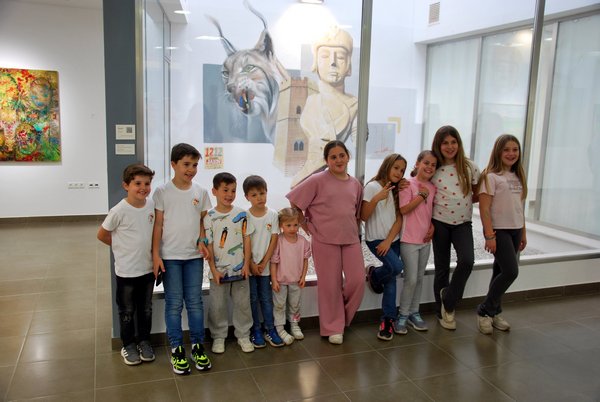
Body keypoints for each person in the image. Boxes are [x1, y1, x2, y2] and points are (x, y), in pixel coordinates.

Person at [286, 140, 364, 344]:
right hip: (324, 240)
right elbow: (294, 201)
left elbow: (356, 213)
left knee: (357, 281)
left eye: (342, 155)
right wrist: (305, 226)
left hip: (351, 239)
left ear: (348, 156)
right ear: (327, 160)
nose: (338, 160)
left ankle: (341, 318)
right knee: (330, 285)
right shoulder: (317, 180)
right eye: (333, 157)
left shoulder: (355, 184)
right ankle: (333, 327)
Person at [152, 143, 212, 375]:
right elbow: (158, 225)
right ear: (173, 164)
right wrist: (156, 255)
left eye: (195, 165)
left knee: (195, 302)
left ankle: (197, 346)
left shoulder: (201, 192)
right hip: (170, 258)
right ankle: (177, 348)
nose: (191, 169)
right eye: (186, 164)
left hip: (194, 257)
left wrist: (202, 240)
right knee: (174, 304)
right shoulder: (161, 192)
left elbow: (203, 222)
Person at [97, 164, 156, 366]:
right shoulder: (118, 210)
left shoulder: (151, 206)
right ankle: (128, 345)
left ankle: (144, 341)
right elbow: (102, 234)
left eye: (147, 183)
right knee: (127, 312)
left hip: (147, 270)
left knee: (146, 309)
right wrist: (121, 247)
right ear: (126, 185)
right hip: (126, 272)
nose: (143, 188)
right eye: (137, 183)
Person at [292, 26, 358, 186]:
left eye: (340, 57)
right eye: (325, 56)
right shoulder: (312, 101)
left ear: (348, 64)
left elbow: (359, 141)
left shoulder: (355, 105)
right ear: (316, 62)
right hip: (311, 174)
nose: (333, 62)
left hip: (337, 179)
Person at [430, 126, 481, 330]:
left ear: (459, 144)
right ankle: (443, 312)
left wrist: (461, 202)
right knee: (442, 268)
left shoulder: (470, 167)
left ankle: (448, 300)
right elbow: (419, 185)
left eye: (453, 142)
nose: (450, 147)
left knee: (467, 261)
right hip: (439, 223)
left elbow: (476, 193)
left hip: (463, 223)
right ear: (438, 145)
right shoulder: (433, 167)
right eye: (445, 143)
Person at [477, 134, 527, 335]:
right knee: (511, 272)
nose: (511, 153)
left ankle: (494, 311)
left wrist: (523, 233)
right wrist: (489, 235)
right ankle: (484, 310)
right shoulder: (490, 177)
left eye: (515, 149)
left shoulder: (518, 175)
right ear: (498, 152)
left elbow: (520, 207)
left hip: (516, 230)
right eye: (506, 149)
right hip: (500, 231)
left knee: (499, 272)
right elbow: (484, 208)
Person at [204, 172, 255, 353]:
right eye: (225, 190)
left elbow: (247, 239)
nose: (229, 194)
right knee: (217, 306)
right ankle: (218, 337)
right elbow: (209, 245)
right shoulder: (209, 216)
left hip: (240, 270)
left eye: (233, 190)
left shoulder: (242, 214)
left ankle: (243, 335)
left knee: (243, 304)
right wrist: (213, 269)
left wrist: (246, 264)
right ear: (214, 191)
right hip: (218, 272)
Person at [361, 154, 407, 341]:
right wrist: (376, 199)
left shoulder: (397, 190)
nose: (399, 173)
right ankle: (374, 275)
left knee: (391, 279)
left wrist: (389, 241)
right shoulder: (372, 187)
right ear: (387, 166)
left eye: (402, 170)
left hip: (392, 240)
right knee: (396, 267)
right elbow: (363, 216)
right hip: (375, 240)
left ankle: (388, 320)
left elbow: (399, 218)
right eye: (396, 168)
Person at [397, 151, 438, 334]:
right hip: (409, 240)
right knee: (411, 279)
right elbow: (404, 209)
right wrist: (421, 196)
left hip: (425, 241)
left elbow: (431, 212)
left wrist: (432, 227)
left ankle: (414, 312)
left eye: (433, 165)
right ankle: (402, 314)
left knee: (419, 278)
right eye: (426, 163)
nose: (429, 167)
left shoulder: (433, 187)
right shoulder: (407, 184)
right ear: (417, 163)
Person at [243, 175, 285, 348]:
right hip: (250, 266)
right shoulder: (245, 216)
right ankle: (256, 330)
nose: (259, 198)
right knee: (252, 299)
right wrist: (251, 263)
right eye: (254, 195)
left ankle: (270, 329)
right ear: (247, 197)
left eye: (262, 193)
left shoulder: (273, 214)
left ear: (267, 192)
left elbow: (274, 240)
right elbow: (245, 241)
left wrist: (264, 262)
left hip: (266, 267)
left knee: (266, 299)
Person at [270, 207, 311, 345]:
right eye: (288, 225)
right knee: (279, 305)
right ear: (281, 225)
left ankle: (294, 324)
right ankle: (280, 328)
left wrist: (303, 277)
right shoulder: (278, 241)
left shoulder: (303, 242)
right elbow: (274, 262)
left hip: (296, 281)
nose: (292, 228)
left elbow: (305, 260)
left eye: (295, 225)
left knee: (295, 304)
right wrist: (274, 280)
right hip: (280, 281)